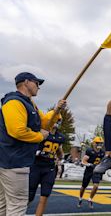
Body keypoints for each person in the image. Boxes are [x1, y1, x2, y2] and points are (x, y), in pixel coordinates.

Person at [0, 72, 66, 216]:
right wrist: (39, 136)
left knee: (4, 205)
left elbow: (44, 122)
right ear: (26, 82)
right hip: (14, 161)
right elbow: (17, 131)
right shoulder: (14, 101)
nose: (38, 87)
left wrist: (56, 110)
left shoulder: (30, 103)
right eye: (36, 83)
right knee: (17, 205)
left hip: (13, 160)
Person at [28, 112, 65, 216]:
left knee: (44, 196)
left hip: (49, 168)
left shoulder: (60, 137)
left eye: (58, 121)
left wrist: (60, 157)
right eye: (55, 120)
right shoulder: (40, 132)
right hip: (35, 166)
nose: (56, 123)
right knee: (29, 196)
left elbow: (59, 151)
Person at [77, 137, 105, 209]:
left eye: (101, 143)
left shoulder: (102, 152)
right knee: (84, 186)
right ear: (94, 143)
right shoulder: (89, 151)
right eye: (98, 143)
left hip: (96, 171)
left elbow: (103, 162)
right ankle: (80, 198)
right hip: (89, 170)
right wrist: (89, 164)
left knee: (96, 186)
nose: (99, 144)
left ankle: (90, 199)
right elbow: (83, 161)